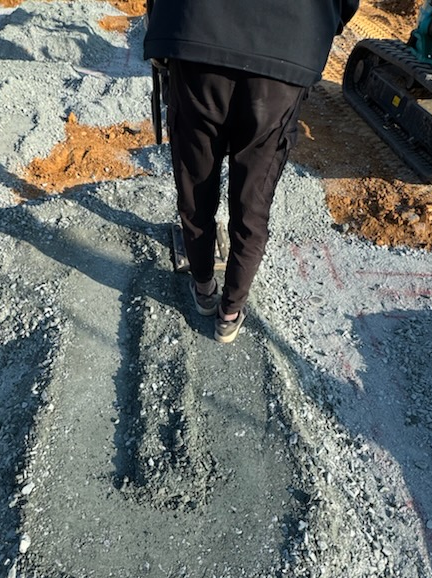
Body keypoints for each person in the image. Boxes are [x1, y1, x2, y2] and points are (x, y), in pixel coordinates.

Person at [144, 0, 359, 343]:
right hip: (285, 51)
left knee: (196, 185)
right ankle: (229, 313)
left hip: (198, 32)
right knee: (252, 202)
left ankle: (204, 289)